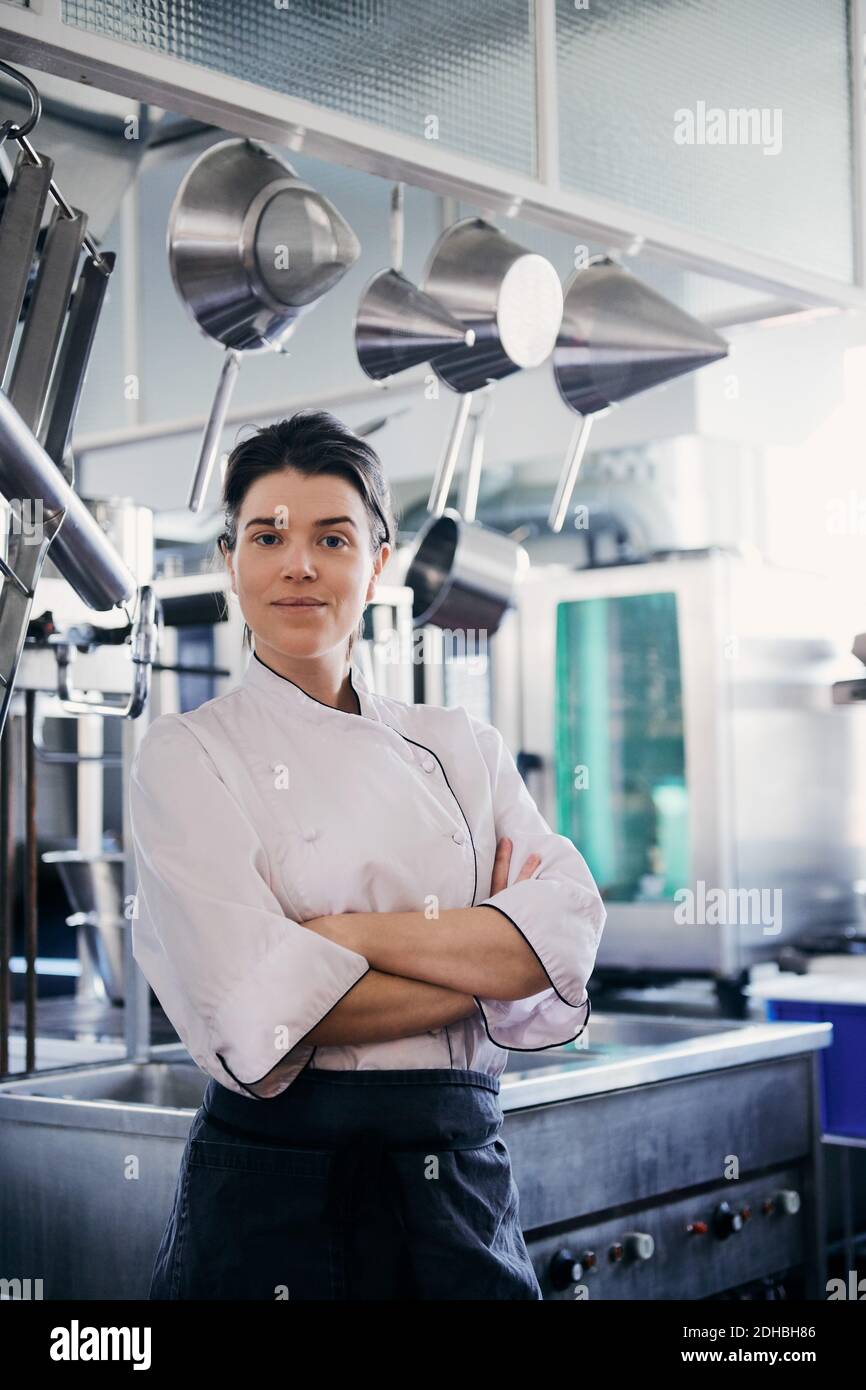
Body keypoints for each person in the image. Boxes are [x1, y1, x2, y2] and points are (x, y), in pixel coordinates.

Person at [129, 409, 606, 1301]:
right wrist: (492, 965)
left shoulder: (462, 744)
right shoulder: (187, 754)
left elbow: (567, 932)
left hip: (458, 1179)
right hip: (277, 1191)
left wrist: (340, 936)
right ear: (230, 559)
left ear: (377, 562)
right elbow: (258, 1007)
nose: (298, 563)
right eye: (267, 535)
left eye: (332, 537)